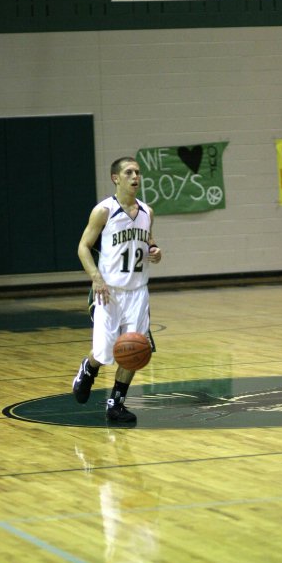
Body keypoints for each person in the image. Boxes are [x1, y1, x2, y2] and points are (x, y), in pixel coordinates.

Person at [72, 156, 162, 422]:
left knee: (133, 351)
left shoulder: (148, 211)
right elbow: (83, 247)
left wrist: (155, 252)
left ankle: (116, 403)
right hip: (108, 291)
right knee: (104, 351)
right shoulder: (104, 211)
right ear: (116, 178)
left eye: (138, 172)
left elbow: (150, 243)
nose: (136, 177)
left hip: (138, 292)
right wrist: (96, 278)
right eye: (129, 172)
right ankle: (88, 369)